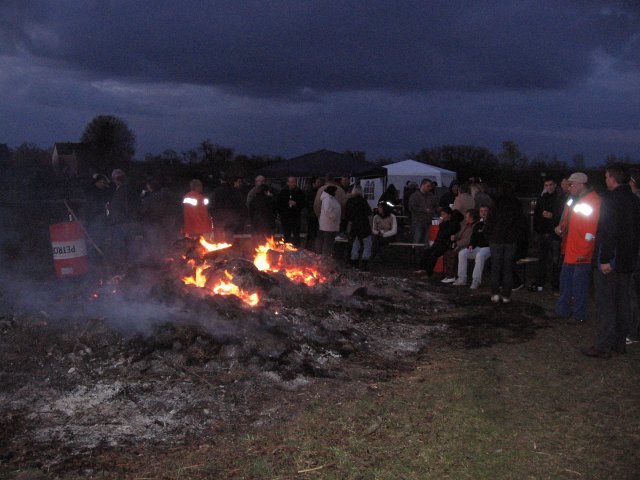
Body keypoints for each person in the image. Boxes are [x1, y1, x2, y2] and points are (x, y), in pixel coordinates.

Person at [582, 165, 640, 357]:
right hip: (628, 261)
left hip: (612, 261)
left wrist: (605, 259)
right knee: (622, 302)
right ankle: (619, 342)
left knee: (607, 303)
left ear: (613, 179)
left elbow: (609, 231)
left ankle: (603, 345)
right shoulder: (634, 200)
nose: (605, 180)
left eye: (607, 177)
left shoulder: (611, 200)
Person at [554, 172, 601, 324]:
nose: (569, 187)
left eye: (572, 185)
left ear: (581, 184)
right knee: (566, 283)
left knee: (579, 286)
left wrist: (585, 251)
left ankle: (579, 315)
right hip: (569, 249)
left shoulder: (593, 201)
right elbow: (568, 220)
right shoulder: (573, 200)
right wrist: (560, 227)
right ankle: (562, 311)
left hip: (580, 253)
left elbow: (591, 230)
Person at [485, 182, 525, 303]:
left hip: (496, 239)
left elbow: (490, 221)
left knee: (496, 267)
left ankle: (495, 293)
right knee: (507, 267)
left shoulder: (495, 203)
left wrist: (488, 235)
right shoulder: (517, 204)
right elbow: (520, 223)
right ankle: (506, 294)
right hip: (510, 240)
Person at [529, 177, 564, 292]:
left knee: (555, 260)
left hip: (554, 235)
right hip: (543, 233)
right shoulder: (542, 198)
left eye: (550, 185)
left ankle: (556, 284)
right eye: (546, 185)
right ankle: (540, 283)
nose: (548, 187)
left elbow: (563, 216)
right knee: (542, 259)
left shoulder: (560, 198)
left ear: (555, 185)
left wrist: (552, 216)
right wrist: (537, 230)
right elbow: (537, 215)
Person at [139, 177, 180, 261]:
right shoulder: (170, 196)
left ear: (150, 187)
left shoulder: (149, 199)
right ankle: (170, 261)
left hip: (155, 225)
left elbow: (142, 212)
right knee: (168, 244)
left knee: (156, 245)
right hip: (169, 224)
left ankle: (160, 262)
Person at [108, 169, 141, 272]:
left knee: (119, 246)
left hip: (122, 223)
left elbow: (117, 208)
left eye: (116, 179)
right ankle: (131, 267)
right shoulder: (131, 189)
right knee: (131, 245)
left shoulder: (121, 192)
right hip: (130, 222)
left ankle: (120, 269)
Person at [454, 205, 491, 289]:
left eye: (485, 211)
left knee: (479, 255)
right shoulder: (478, 224)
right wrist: (471, 245)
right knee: (462, 253)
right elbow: (474, 237)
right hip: (478, 247)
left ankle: (476, 281)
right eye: (481, 211)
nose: (483, 213)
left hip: (488, 248)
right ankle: (462, 278)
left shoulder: (492, 223)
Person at [416, 207, 461, 277]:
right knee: (427, 252)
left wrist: (443, 224)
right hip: (439, 243)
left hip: (446, 244)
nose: (442, 216)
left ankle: (428, 273)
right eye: (441, 215)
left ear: (449, 215)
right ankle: (421, 269)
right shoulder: (444, 223)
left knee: (433, 255)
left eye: (444, 214)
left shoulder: (454, 224)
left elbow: (446, 233)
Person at [441, 208, 477, 283]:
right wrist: (454, 236)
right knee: (446, 252)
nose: (465, 218)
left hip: (465, 246)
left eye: (467, 216)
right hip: (460, 245)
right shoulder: (466, 225)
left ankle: (451, 276)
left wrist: (458, 243)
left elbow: (469, 239)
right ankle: (448, 275)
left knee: (451, 254)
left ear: (471, 217)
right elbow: (459, 233)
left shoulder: (474, 227)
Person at [345, 186, 373, 270]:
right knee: (367, 243)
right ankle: (365, 262)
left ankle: (354, 262)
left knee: (355, 243)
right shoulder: (363, 201)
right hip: (364, 225)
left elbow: (347, 216)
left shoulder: (349, 201)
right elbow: (369, 213)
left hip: (354, 226)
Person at [212, 176, 246, 243]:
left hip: (218, 216)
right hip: (230, 216)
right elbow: (239, 204)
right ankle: (229, 248)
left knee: (218, 233)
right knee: (229, 233)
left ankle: (217, 248)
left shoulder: (217, 191)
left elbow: (213, 204)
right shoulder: (235, 191)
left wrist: (214, 214)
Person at [276, 176, 306, 245]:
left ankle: (297, 248)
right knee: (286, 234)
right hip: (285, 217)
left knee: (296, 235)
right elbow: (279, 204)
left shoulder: (299, 192)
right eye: (291, 182)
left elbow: (304, 203)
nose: (293, 184)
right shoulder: (282, 192)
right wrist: (286, 203)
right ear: (288, 183)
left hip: (295, 217)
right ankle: (287, 248)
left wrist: (296, 203)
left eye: (294, 182)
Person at [408, 178, 438, 244]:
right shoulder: (414, 196)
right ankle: (416, 253)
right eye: (428, 186)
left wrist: (435, 210)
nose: (429, 188)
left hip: (428, 221)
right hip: (418, 221)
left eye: (430, 186)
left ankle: (425, 253)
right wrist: (424, 210)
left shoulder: (431, 196)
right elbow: (411, 207)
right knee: (417, 240)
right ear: (423, 185)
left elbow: (435, 205)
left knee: (427, 241)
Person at [317, 185, 341, 255]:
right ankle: (325, 259)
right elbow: (328, 211)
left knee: (328, 244)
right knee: (327, 245)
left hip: (329, 225)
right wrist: (334, 217)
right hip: (328, 226)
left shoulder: (330, 199)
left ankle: (326, 258)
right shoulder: (328, 199)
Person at [304, 177, 324, 251]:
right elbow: (309, 204)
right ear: (313, 183)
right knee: (311, 233)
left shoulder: (320, 192)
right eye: (318, 182)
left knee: (316, 234)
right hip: (312, 216)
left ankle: (313, 249)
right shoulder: (310, 192)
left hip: (317, 216)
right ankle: (309, 249)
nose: (320, 184)